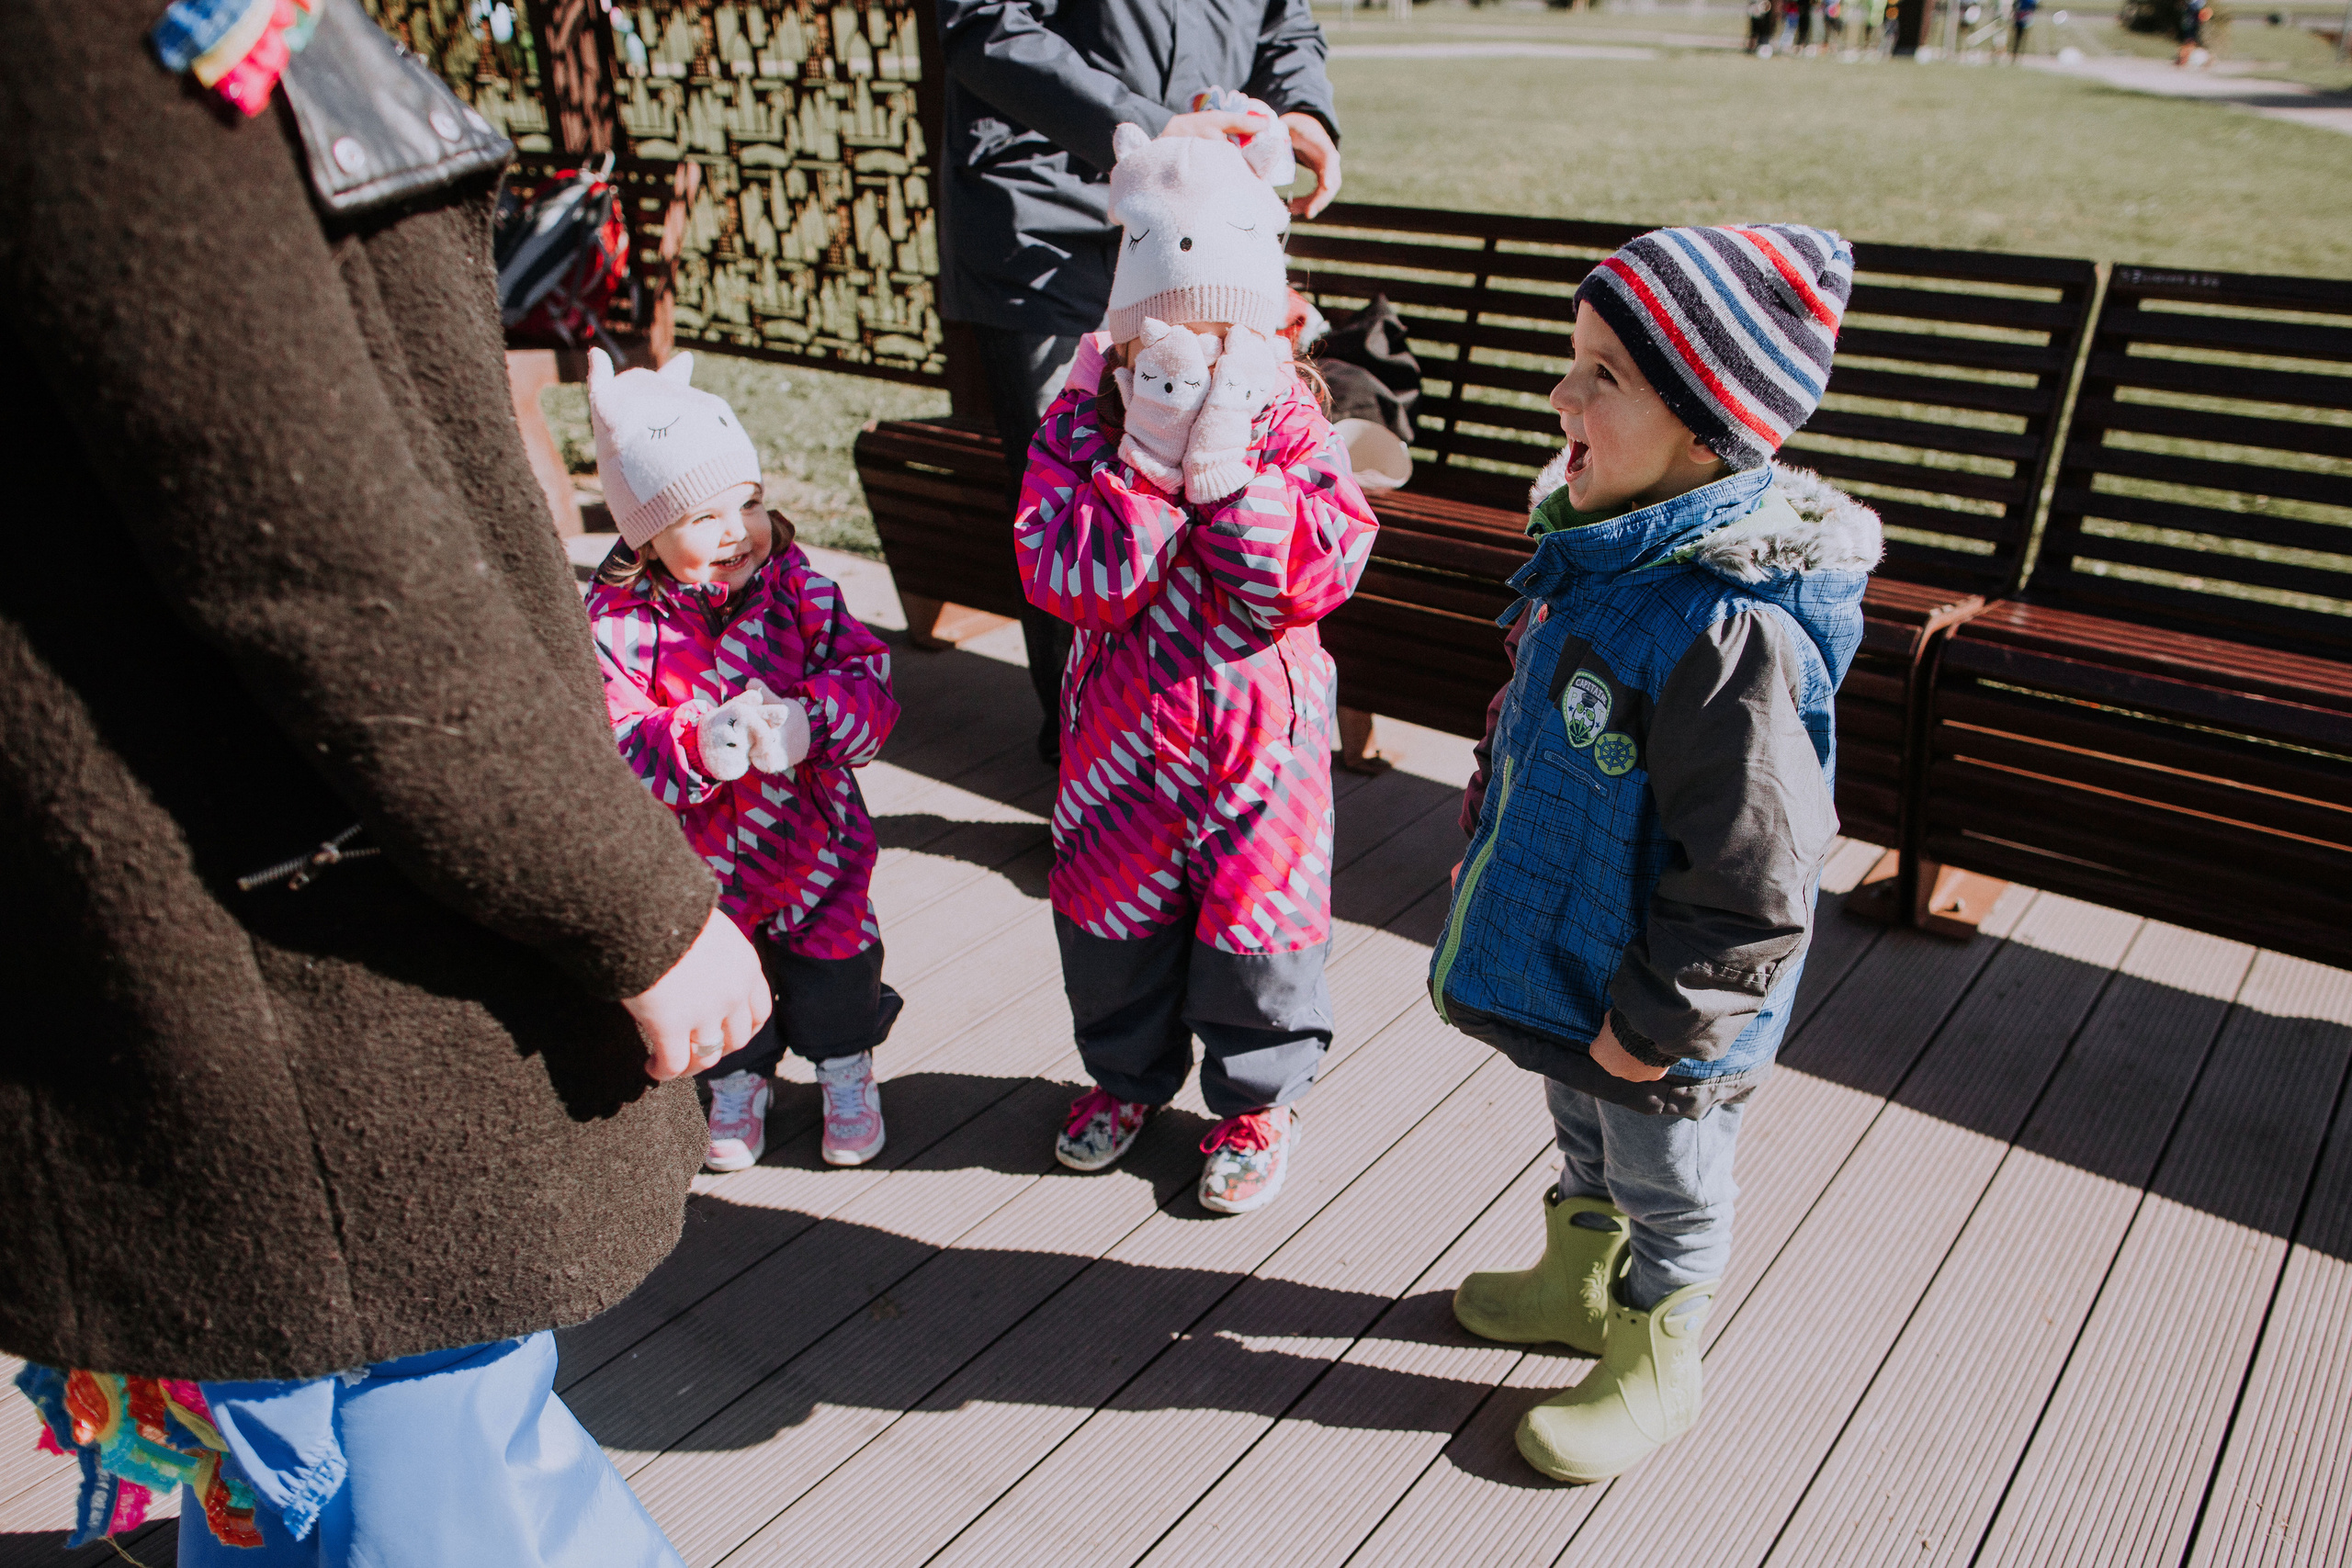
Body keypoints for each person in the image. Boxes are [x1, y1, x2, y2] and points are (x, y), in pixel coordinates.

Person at [0, 0, 771, 1558]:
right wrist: (632, 902)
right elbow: (316, 547)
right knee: (413, 1451)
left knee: (293, 1463)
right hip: (294, 945)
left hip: (227, 931)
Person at [1432, 225, 1881, 1483]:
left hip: (1672, 1003)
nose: (1563, 395)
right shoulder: (1610, 550)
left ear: (1705, 434)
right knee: (1583, 1120)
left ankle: (1656, 1352)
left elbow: (1754, 880)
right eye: (1573, 360)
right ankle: (1579, 1276)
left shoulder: (1729, 626)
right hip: (1587, 958)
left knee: (1669, 1174)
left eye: (1606, 376)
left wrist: (1665, 1015)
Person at [1013, 123, 1377, 1214]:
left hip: (1258, 752)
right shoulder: (1080, 429)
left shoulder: (1290, 431)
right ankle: (1124, 1081)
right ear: (1124, 338)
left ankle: (1256, 1099)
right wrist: (1141, 461)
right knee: (1112, 924)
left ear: (1266, 336)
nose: (1198, 356)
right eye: (1171, 336)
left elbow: (1306, 578)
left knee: (1254, 932)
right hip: (1120, 751)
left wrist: (1224, 480)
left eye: (1225, 336)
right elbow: (1065, 577)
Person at [936, 0, 1344, 763]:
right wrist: (1142, 122)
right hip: (1046, 219)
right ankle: (1091, 770)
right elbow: (983, 22)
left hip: (1204, 233)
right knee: (1086, 497)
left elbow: (1284, 24)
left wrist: (1303, 107)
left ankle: (1209, 764)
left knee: (1224, 461)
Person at [584, 350, 903, 1173]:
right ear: (645, 534)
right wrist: (694, 743)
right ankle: (738, 1080)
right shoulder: (618, 625)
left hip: (819, 844)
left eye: (750, 504)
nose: (738, 531)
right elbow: (616, 735)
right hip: (704, 864)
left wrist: (808, 722)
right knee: (730, 980)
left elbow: (869, 685)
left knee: (836, 969)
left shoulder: (799, 588)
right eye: (703, 517)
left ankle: (846, 1069)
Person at [2177, 0, 2211, 64]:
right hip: (2190, 23)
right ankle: (2183, 59)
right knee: (2190, 41)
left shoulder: (2197, 3)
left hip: (2193, 23)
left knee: (2191, 41)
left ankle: (2183, 59)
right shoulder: (2195, 4)